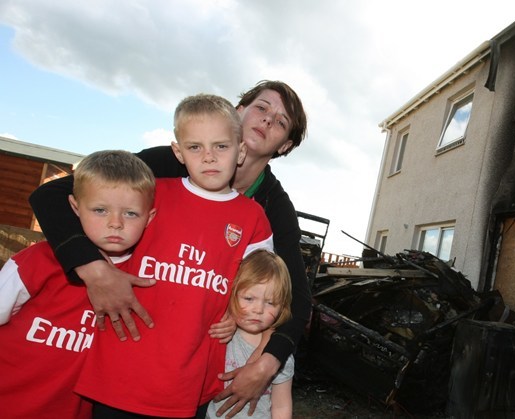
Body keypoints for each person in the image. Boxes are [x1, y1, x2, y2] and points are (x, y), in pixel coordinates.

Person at [29, 80, 311, 418]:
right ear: (238, 112)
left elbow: (295, 296)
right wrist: (96, 271)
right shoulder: (164, 170)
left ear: (285, 146)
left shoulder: (271, 210)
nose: (267, 120)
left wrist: (268, 363)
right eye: (262, 108)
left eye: (280, 122)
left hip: (193, 368)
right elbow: (56, 195)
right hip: (125, 347)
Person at [75, 93, 274, 418]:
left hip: (189, 385)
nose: (208, 157)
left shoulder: (254, 219)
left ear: (240, 152)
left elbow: (262, 287)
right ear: (178, 152)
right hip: (120, 374)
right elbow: (98, 228)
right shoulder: (150, 194)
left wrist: (236, 315)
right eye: (195, 147)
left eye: (220, 146)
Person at [0, 150, 157, 419]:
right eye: (100, 210)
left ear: (149, 218)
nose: (115, 223)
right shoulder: (39, 259)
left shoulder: (147, 277)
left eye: (130, 213)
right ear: (75, 207)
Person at [207, 250, 293, 419]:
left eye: (270, 303)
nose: (258, 309)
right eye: (249, 298)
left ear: (282, 306)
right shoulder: (219, 334)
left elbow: (281, 406)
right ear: (232, 293)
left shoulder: (282, 356)